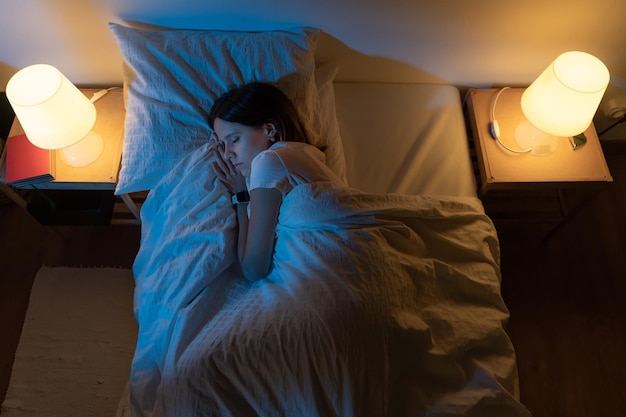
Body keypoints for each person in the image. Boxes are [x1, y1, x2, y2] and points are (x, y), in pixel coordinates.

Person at [208, 82, 345, 281]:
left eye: (235, 139)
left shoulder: (268, 161)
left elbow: (253, 269)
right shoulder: (306, 155)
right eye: (222, 145)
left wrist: (240, 195)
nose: (227, 154)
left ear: (269, 129)